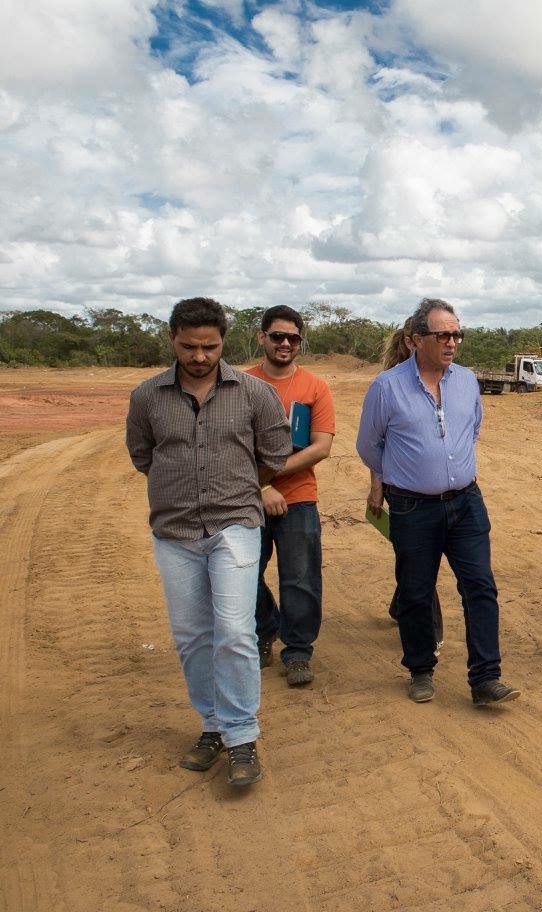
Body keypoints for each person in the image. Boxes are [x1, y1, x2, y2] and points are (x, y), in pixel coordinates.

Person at [125, 296, 291, 786]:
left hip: (235, 525)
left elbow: (276, 452)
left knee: (236, 632)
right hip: (174, 533)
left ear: (224, 342)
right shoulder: (147, 396)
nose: (199, 356)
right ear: (172, 339)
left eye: (209, 347)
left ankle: (242, 737)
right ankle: (212, 726)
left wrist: (238, 482)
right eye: (189, 346)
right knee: (193, 637)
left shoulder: (255, 394)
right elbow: (142, 455)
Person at [356, 298, 520, 706]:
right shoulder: (387, 386)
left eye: (456, 334)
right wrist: (398, 477)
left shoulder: (466, 381)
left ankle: (486, 678)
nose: (451, 342)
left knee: (480, 587)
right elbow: (369, 446)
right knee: (415, 591)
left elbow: (473, 428)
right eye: (442, 334)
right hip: (413, 507)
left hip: (466, 502)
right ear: (415, 340)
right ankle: (420, 668)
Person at [248, 305, 335, 687]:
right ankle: (265, 629)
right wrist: (261, 487)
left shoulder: (315, 387)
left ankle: (298, 651)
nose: (285, 343)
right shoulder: (238, 384)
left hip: (299, 497)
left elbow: (321, 447)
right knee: (242, 574)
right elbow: (228, 450)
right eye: (278, 336)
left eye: (293, 338)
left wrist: (276, 475)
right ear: (262, 337)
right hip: (246, 498)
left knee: (301, 578)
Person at [368, 319, 443, 645]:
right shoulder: (388, 385)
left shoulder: (439, 380)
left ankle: (402, 604)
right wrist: (376, 485)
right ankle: (430, 631)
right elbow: (375, 442)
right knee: (417, 556)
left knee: (415, 554)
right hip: (399, 485)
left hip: (435, 486)